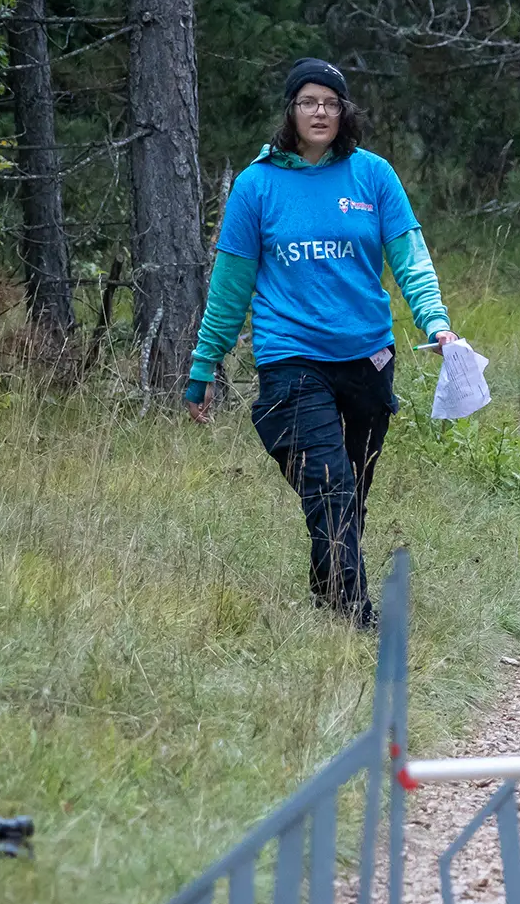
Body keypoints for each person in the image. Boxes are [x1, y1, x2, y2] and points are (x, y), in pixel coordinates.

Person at [185, 57, 456, 629]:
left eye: (331, 103)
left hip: (367, 358)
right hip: (290, 359)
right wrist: (204, 364)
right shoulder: (257, 185)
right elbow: (231, 286)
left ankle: (326, 592)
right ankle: (353, 615)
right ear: (291, 110)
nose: (320, 112)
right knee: (328, 483)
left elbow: (409, 259)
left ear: (344, 112)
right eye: (309, 101)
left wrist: (435, 324)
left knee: (350, 490)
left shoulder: (373, 176)